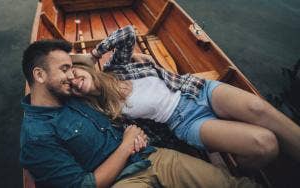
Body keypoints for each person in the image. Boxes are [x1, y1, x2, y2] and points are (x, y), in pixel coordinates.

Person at [19, 39, 259, 187]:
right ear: (39, 75)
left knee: (230, 184)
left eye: (71, 69)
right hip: (123, 181)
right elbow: (83, 185)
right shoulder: (36, 137)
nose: (71, 76)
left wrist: (136, 135)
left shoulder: (72, 92)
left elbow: (101, 84)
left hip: (152, 156)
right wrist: (126, 144)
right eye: (64, 69)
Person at [70, 25, 300, 168]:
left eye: (72, 72)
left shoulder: (114, 68)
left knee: (259, 108)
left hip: (197, 89)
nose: (74, 81)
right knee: (265, 145)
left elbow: (128, 32)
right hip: (185, 121)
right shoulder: (101, 111)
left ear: (83, 68)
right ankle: (239, 172)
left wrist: (93, 55)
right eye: (68, 86)